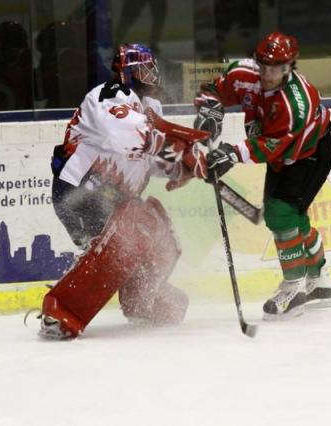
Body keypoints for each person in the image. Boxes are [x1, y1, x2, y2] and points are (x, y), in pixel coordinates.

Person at [39, 44, 208, 338]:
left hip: (116, 199)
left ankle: (142, 301)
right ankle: (61, 312)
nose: (152, 77)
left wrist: (181, 167)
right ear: (127, 73)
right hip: (81, 193)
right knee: (121, 243)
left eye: (152, 70)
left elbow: (149, 159)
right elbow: (126, 137)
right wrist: (177, 145)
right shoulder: (107, 96)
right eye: (144, 70)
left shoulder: (151, 109)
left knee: (157, 231)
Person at [194, 31, 331, 320]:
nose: (269, 74)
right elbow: (212, 88)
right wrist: (211, 108)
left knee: (280, 213)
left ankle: (295, 288)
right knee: (292, 219)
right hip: (284, 154)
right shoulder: (243, 74)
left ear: (290, 66)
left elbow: (273, 146)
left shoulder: (296, 103)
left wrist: (231, 153)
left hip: (309, 154)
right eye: (265, 66)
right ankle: (321, 281)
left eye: (279, 68)